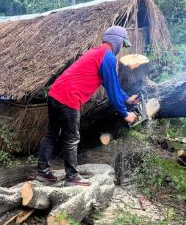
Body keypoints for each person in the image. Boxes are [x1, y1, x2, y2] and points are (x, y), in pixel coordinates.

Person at [37, 26, 138, 186]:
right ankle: (72, 177)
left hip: (55, 94)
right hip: (68, 98)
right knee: (72, 138)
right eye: (123, 44)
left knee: (51, 134)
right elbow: (112, 91)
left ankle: (43, 173)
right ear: (117, 41)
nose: (122, 49)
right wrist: (125, 114)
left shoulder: (98, 52)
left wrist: (127, 99)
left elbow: (113, 85)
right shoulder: (108, 57)